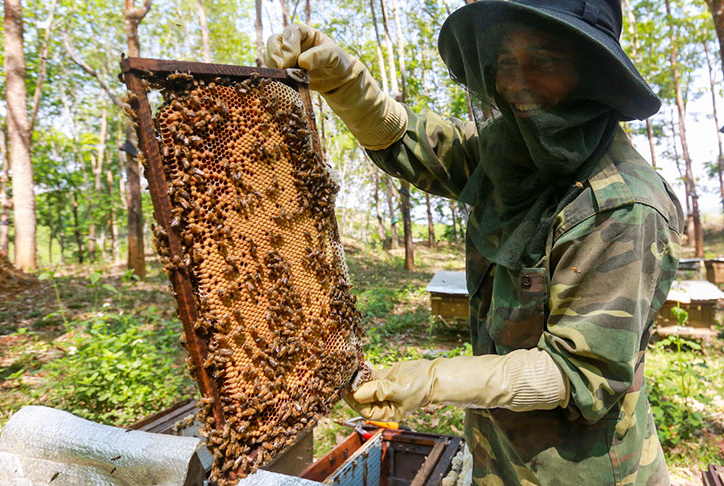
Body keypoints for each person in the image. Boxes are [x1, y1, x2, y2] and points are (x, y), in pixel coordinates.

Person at [266, 0, 683, 484]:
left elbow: (579, 372)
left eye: (543, 61)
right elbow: (418, 147)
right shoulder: (511, 151)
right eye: (506, 62)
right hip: (497, 449)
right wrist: (347, 85)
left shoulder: (625, 206)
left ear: (591, 74)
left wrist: (436, 379)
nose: (516, 82)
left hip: (581, 469)